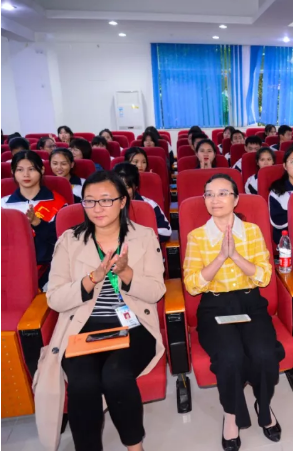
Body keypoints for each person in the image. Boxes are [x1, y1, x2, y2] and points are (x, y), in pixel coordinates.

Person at [34, 170, 166, 451]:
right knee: (83, 384)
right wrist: (92, 279)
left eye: (106, 200)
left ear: (122, 201)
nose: (97, 208)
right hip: (82, 327)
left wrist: (126, 272)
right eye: (90, 201)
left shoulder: (144, 236)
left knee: (116, 376)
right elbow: (54, 298)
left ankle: (135, 447)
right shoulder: (69, 240)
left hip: (132, 325)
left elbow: (156, 291)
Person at [183, 173, 283, 450]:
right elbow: (192, 285)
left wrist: (236, 256)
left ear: (236, 199)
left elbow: (264, 276)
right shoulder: (197, 236)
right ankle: (231, 413)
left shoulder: (252, 232)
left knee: (264, 353)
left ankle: (264, 404)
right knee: (230, 356)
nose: (215, 200)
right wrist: (220, 257)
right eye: (209, 194)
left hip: (250, 302)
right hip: (214, 305)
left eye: (223, 193)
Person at [1, 151, 68, 281]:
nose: (26, 174)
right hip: (10, 268)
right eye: (20, 170)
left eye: (31, 169)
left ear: (42, 170)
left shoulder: (58, 203)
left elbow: (63, 240)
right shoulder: (3, 204)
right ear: (13, 172)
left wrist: (37, 223)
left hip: (50, 270)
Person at [113, 163, 171, 242]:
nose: (122, 192)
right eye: (119, 187)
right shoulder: (108, 206)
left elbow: (166, 231)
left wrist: (140, 234)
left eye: (127, 187)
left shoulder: (149, 205)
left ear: (136, 186)